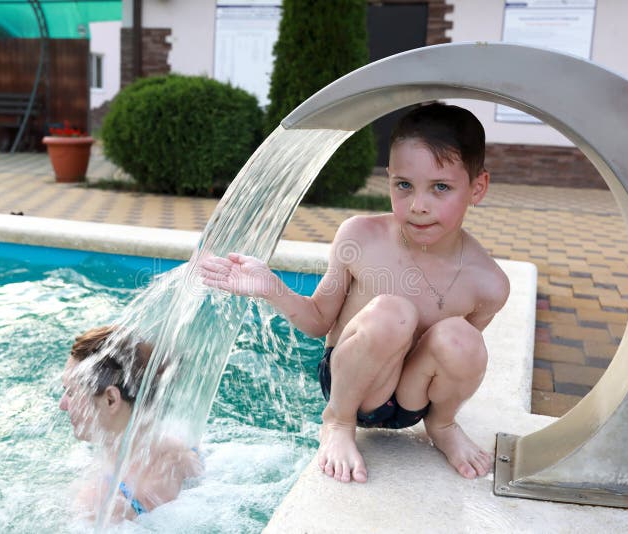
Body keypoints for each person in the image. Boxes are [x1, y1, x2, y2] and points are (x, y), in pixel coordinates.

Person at [200, 103, 509, 484]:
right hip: (354, 387)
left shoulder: (488, 283)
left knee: (463, 339)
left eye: (440, 187)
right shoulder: (360, 238)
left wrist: (439, 407)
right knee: (393, 313)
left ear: (477, 188)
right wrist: (270, 287)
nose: (418, 206)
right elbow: (318, 321)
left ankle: (443, 427)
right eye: (403, 185)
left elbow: (459, 365)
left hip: (415, 399)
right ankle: (337, 423)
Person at [59, 325, 202, 519]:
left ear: (111, 399)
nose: (63, 404)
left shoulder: (99, 503)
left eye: (71, 392)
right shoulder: (183, 455)